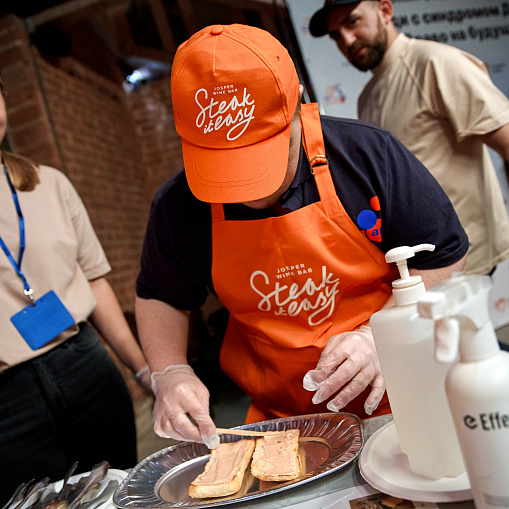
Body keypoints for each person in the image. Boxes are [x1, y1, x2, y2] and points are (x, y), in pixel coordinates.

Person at [135, 23, 468, 449]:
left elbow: (443, 257)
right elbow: (161, 294)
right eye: (224, 169)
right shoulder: (178, 206)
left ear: (297, 103)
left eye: (260, 157)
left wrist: (382, 334)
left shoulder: (368, 157)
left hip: (408, 393)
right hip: (288, 423)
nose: (250, 191)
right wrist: (169, 372)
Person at [0, 76, 151, 503]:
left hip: (86, 369)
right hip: (8, 404)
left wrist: (145, 371)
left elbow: (93, 281)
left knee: (117, 497)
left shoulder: (47, 183)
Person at [309, 0, 509, 276]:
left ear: (385, 11)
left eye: (352, 22)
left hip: (465, 260)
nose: (347, 39)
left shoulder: (436, 63)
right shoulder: (368, 96)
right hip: (417, 269)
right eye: (336, 35)